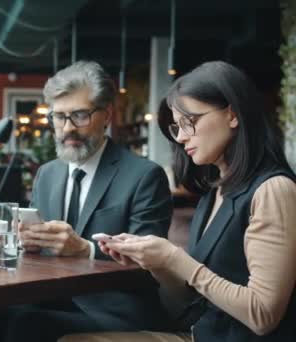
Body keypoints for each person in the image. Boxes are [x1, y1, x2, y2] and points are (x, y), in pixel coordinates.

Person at [61, 61, 296, 342]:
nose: (182, 137)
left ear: (232, 114)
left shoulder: (273, 190)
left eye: (190, 122)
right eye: (177, 127)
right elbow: (189, 301)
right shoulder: (214, 193)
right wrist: (158, 263)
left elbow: (262, 315)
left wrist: (176, 258)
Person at [0, 61, 173, 342]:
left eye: (80, 115)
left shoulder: (144, 176)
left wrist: (86, 249)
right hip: (47, 297)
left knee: (26, 324)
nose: (68, 128)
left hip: (113, 312)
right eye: (59, 116)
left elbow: (151, 263)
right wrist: (28, 243)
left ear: (107, 115)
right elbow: (40, 254)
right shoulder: (47, 173)